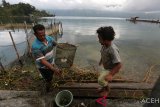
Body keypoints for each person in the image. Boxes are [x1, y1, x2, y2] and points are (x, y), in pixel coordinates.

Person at [31, 24, 61, 92]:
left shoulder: (49, 38)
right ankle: (48, 88)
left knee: (52, 74)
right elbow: (43, 61)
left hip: (51, 62)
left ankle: (49, 78)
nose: (43, 37)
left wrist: (64, 46)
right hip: (43, 67)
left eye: (43, 34)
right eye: (40, 35)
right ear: (35, 34)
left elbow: (56, 44)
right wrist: (53, 68)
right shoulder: (35, 47)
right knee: (48, 79)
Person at [97, 26, 122, 96]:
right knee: (102, 78)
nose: (98, 41)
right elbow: (103, 53)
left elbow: (119, 65)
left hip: (111, 69)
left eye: (99, 39)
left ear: (106, 40)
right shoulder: (104, 45)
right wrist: (101, 60)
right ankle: (103, 88)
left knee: (100, 80)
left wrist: (111, 74)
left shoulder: (112, 50)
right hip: (106, 67)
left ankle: (107, 90)